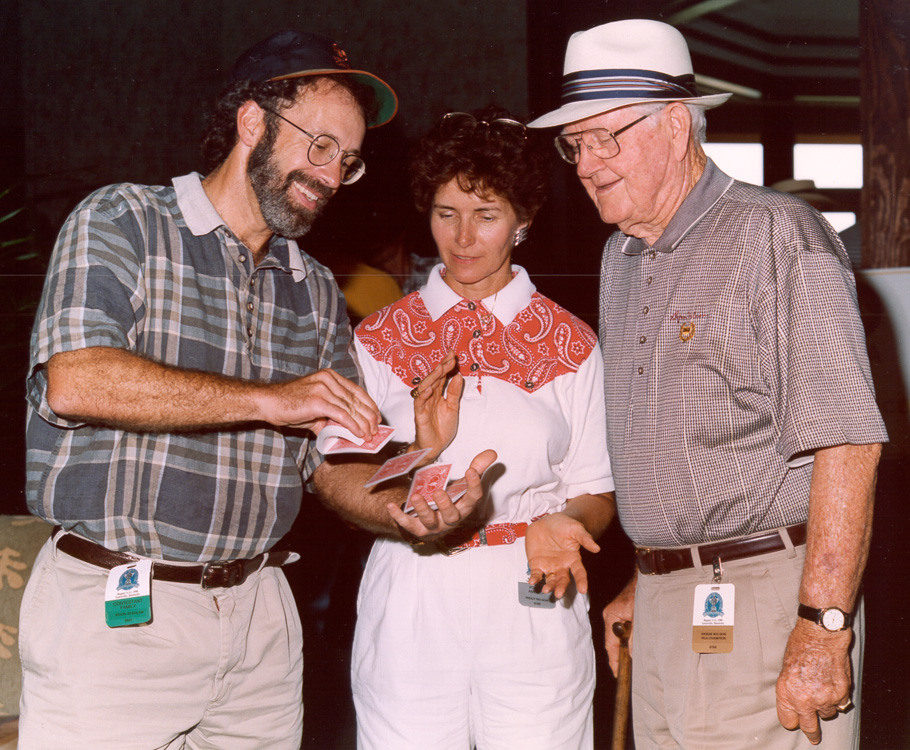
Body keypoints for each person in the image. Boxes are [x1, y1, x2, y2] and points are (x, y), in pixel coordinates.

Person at [19, 30, 495, 749]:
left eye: (349, 159)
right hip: (118, 611)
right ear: (251, 124)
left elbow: (329, 466)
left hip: (261, 619)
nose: (333, 174)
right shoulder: (124, 220)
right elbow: (74, 379)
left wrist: (404, 506)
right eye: (320, 144)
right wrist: (271, 398)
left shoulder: (312, 291)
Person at [528, 19, 887, 749]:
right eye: (575, 143)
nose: (588, 163)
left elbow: (849, 444)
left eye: (608, 137)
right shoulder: (621, 257)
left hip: (769, 607)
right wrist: (652, 577)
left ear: (675, 125)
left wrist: (824, 626)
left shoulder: (776, 236)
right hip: (666, 609)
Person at [350, 108, 616, 749]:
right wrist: (420, 452)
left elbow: (597, 491)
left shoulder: (572, 344)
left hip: (533, 584)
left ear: (523, 223)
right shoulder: (377, 340)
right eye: (446, 214)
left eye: (487, 215)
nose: (464, 238)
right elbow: (350, 480)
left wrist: (563, 525)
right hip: (413, 585)